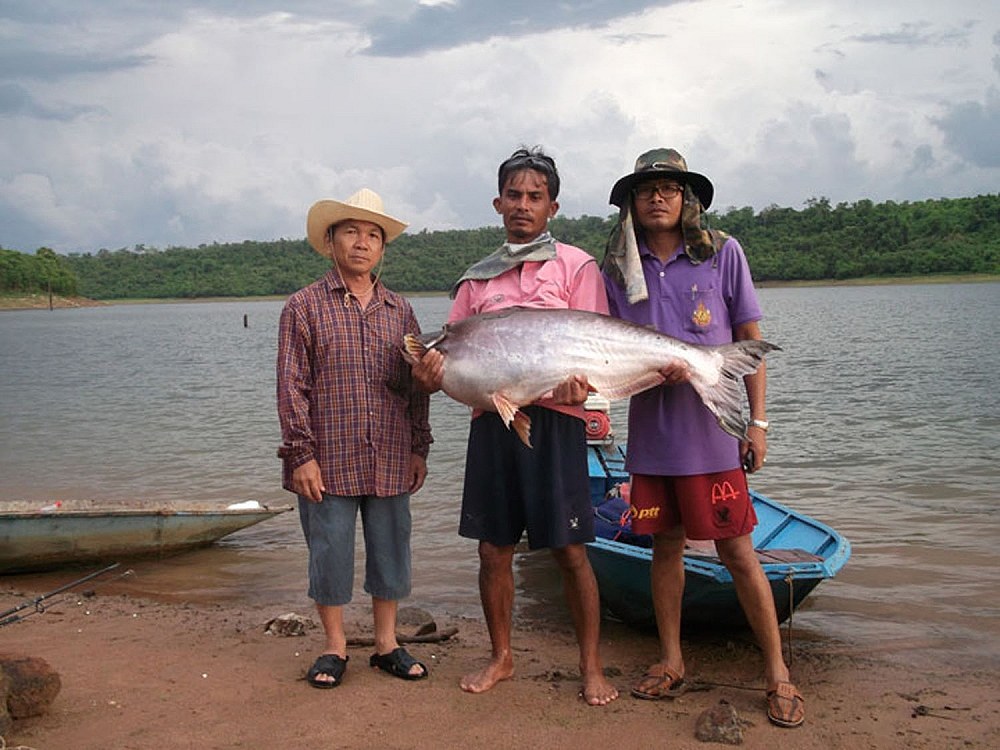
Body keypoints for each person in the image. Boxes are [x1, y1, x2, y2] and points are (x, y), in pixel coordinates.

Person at [601, 149, 804, 728]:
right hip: (650, 436)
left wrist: (758, 425)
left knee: (738, 550)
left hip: (715, 435)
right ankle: (671, 660)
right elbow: (602, 349)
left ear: (687, 198)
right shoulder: (618, 269)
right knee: (664, 549)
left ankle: (776, 673)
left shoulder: (722, 252)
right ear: (631, 204)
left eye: (670, 187)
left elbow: (749, 342)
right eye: (646, 190)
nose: (658, 197)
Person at [411, 147, 619, 706]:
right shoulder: (476, 281)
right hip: (493, 424)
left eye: (535, 197)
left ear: (552, 205)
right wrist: (430, 374)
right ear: (498, 203)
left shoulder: (577, 267)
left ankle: (592, 666)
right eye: (514, 196)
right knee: (492, 550)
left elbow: (597, 346)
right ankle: (502, 656)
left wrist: (586, 387)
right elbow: (451, 359)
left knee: (571, 549)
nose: (523, 206)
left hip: (558, 421)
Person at [277, 188, 433, 689]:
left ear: (382, 248)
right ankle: (334, 646)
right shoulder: (303, 307)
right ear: (331, 240)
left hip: (389, 452)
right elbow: (290, 386)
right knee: (329, 549)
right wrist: (301, 454)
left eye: (373, 235)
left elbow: (416, 386)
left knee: (391, 549)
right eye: (351, 232)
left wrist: (418, 447)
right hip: (327, 456)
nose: (362, 243)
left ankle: (386, 644)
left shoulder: (400, 312)